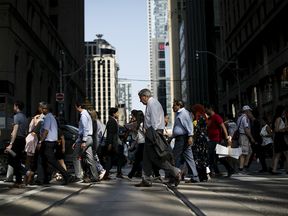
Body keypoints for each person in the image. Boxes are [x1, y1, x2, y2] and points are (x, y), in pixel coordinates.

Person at [135, 89, 181, 187]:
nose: (140, 100)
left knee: (155, 158)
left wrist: (149, 133)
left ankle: (175, 172)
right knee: (147, 158)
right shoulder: (151, 104)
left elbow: (155, 122)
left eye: (140, 98)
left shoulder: (152, 104)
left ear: (145, 96)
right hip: (151, 133)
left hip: (153, 133)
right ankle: (146, 180)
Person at [33, 103, 73, 185]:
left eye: (43, 108)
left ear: (47, 109)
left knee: (52, 161)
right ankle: (41, 179)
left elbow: (46, 130)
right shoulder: (52, 117)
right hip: (50, 142)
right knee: (40, 160)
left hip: (47, 142)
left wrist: (40, 142)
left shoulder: (47, 117)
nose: (42, 110)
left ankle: (67, 175)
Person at [167, 100, 199, 183]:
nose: (172, 107)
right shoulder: (180, 114)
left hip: (182, 138)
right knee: (189, 158)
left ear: (178, 105)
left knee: (174, 156)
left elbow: (189, 125)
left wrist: (190, 136)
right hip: (181, 137)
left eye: (173, 105)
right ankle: (195, 177)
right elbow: (178, 128)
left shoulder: (184, 113)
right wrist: (172, 137)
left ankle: (172, 176)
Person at [6, 101, 34, 188]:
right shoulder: (24, 117)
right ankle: (18, 182)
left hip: (17, 140)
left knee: (11, 161)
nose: (13, 107)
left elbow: (15, 131)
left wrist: (11, 143)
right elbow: (26, 131)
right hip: (22, 140)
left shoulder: (16, 116)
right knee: (17, 161)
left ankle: (27, 172)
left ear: (17, 106)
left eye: (14, 106)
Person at [205, 104, 235, 178]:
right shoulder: (209, 119)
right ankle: (229, 169)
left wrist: (227, 138)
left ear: (210, 109)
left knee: (212, 156)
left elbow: (223, 127)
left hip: (216, 140)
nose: (205, 111)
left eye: (206, 109)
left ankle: (210, 173)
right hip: (211, 140)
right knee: (217, 157)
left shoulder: (216, 117)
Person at [72, 101, 99, 182]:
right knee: (90, 158)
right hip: (89, 138)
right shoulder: (87, 115)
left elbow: (85, 129)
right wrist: (77, 141)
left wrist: (83, 141)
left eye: (76, 107)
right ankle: (95, 177)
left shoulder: (83, 115)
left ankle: (78, 177)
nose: (75, 109)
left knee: (75, 156)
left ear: (79, 106)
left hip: (85, 138)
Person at [123, 110, 145, 180]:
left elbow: (145, 133)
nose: (134, 118)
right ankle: (130, 175)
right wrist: (133, 145)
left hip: (143, 144)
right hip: (141, 143)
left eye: (135, 117)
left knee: (139, 160)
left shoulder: (141, 125)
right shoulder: (140, 124)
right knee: (137, 160)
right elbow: (139, 137)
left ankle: (173, 172)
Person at [103, 107, 124, 179]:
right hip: (113, 143)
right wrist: (110, 144)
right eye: (117, 113)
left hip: (113, 142)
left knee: (110, 158)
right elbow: (110, 133)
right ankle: (118, 172)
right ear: (113, 114)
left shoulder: (113, 121)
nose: (118, 114)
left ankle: (107, 174)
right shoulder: (112, 121)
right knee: (120, 156)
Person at [236, 105, 255, 174]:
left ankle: (245, 167)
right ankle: (241, 169)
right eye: (249, 111)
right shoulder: (245, 118)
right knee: (243, 153)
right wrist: (251, 138)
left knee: (250, 151)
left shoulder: (240, 118)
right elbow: (246, 129)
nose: (250, 112)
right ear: (247, 111)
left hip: (242, 136)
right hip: (244, 136)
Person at [192, 104, 209, 182]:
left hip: (199, 140)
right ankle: (204, 175)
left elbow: (196, 129)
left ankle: (202, 176)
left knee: (199, 157)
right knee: (203, 157)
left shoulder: (200, 117)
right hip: (203, 140)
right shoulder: (204, 117)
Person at [271, 105, 288, 174]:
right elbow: (276, 129)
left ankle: (274, 169)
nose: (284, 112)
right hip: (279, 136)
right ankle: (287, 169)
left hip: (280, 137)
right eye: (283, 110)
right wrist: (284, 128)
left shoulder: (280, 118)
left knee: (278, 154)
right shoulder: (278, 119)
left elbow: (286, 126)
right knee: (286, 152)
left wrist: (285, 117)